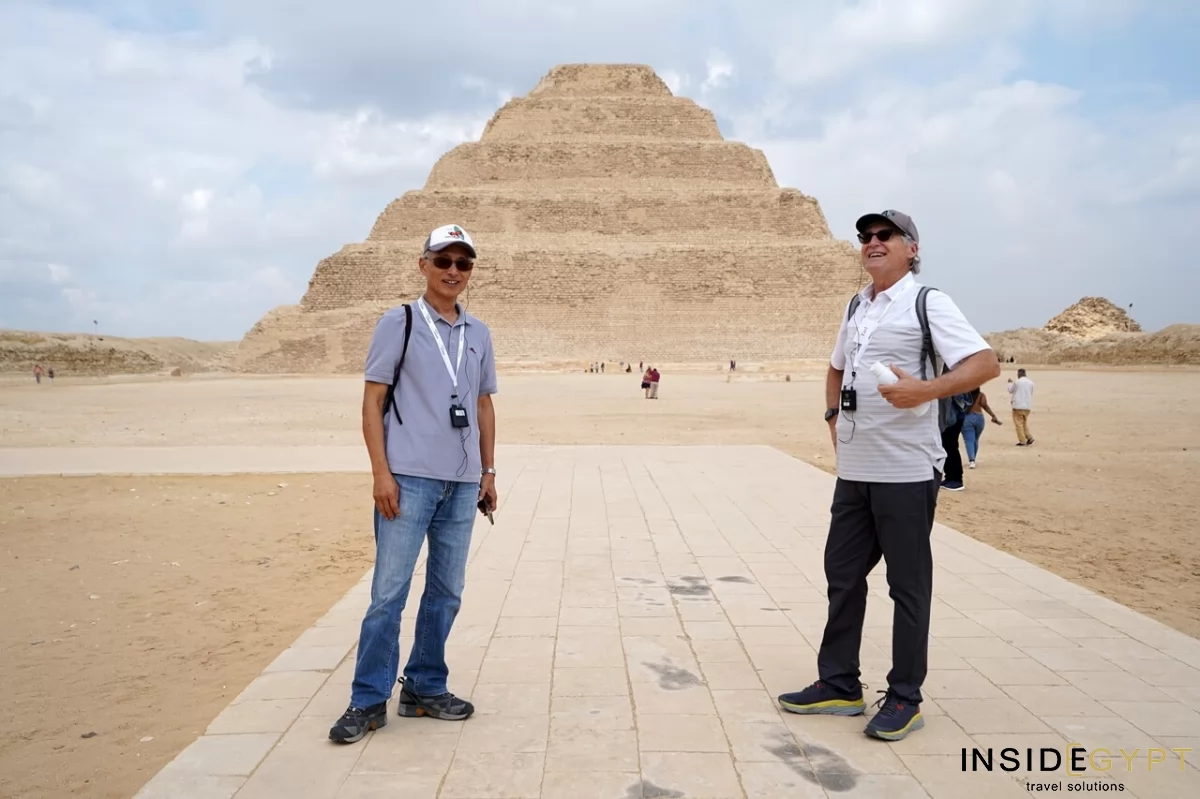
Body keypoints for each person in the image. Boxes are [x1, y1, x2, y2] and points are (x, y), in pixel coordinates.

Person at [778, 209, 999, 741]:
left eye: (885, 236)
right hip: (855, 471)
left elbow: (984, 362)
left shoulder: (928, 303)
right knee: (843, 578)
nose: (871, 243)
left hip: (905, 470)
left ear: (911, 249)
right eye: (866, 237)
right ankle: (839, 684)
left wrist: (923, 390)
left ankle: (905, 697)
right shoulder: (857, 305)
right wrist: (833, 415)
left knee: (907, 587)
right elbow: (835, 367)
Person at [329, 223, 499, 745]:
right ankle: (367, 699)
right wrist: (381, 473)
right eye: (443, 261)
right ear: (422, 264)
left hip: (461, 482)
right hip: (407, 479)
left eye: (463, 263)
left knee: (446, 592)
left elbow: (484, 403)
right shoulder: (398, 322)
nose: (453, 271)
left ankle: (425, 686)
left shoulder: (479, 333)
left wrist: (488, 472)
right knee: (388, 594)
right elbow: (372, 402)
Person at [961, 391, 1002, 468]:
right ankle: (973, 459)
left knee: (969, 440)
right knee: (975, 439)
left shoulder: (963, 394)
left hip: (967, 418)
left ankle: (971, 460)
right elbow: (984, 405)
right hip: (979, 418)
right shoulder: (980, 394)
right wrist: (993, 415)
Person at [1007, 368, 1035, 446]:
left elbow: (1010, 390)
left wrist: (1009, 383)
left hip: (1018, 405)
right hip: (1027, 405)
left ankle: (1022, 440)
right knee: (1024, 423)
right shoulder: (1031, 383)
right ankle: (1029, 437)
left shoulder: (1017, 382)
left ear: (1019, 374)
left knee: (1018, 424)